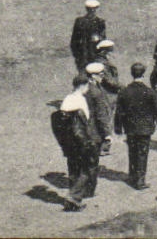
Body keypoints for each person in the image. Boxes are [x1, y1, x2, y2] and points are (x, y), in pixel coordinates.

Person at [52, 73, 101, 211]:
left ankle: (74, 197)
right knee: (87, 169)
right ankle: (74, 197)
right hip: (81, 141)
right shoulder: (81, 100)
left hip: (68, 142)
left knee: (73, 170)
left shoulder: (67, 99)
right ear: (83, 85)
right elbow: (84, 122)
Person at [113, 62, 157, 189]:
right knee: (142, 153)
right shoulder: (150, 92)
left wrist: (118, 127)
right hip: (145, 128)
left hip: (130, 127)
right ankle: (140, 180)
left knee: (132, 151)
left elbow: (119, 111)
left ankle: (132, 176)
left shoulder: (124, 92)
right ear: (143, 74)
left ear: (132, 74)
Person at [84, 61, 114, 156]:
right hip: (95, 129)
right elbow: (101, 115)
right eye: (101, 75)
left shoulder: (89, 86)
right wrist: (107, 134)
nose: (103, 77)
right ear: (93, 76)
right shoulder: (96, 92)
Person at [69, 0, 105, 71]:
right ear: (87, 9)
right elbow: (74, 40)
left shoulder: (100, 22)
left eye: (94, 9)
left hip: (95, 55)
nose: (92, 11)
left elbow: (103, 40)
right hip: (83, 55)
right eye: (90, 9)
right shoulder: (80, 21)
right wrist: (77, 56)